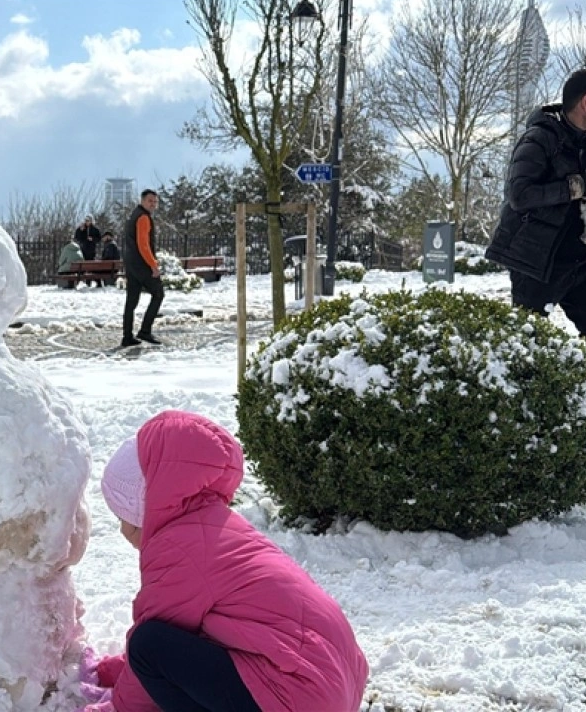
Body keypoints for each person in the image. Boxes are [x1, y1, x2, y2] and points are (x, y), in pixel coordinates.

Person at [79, 411, 369, 712]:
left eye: (121, 516)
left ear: (144, 510)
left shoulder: (176, 547)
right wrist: (110, 673)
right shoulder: (217, 527)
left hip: (296, 693)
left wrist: (118, 707)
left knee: (147, 644)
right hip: (328, 685)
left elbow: (154, 645)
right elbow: (184, 632)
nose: (122, 529)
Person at [485, 69, 586, 363]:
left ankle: (573, 395)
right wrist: (581, 186)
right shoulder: (540, 137)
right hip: (538, 261)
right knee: (527, 343)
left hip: (584, 258)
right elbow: (520, 195)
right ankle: (536, 399)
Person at [121, 190, 165, 346]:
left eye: (155, 201)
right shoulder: (143, 217)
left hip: (131, 263)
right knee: (158, 293)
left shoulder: (133, 215)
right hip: (142, 264)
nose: (153, 204)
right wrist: (153, 265)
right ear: (142, 201)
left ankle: (127, 336)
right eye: (150, 201)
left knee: (131, 301)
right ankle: (145, 331)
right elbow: (143, 244)